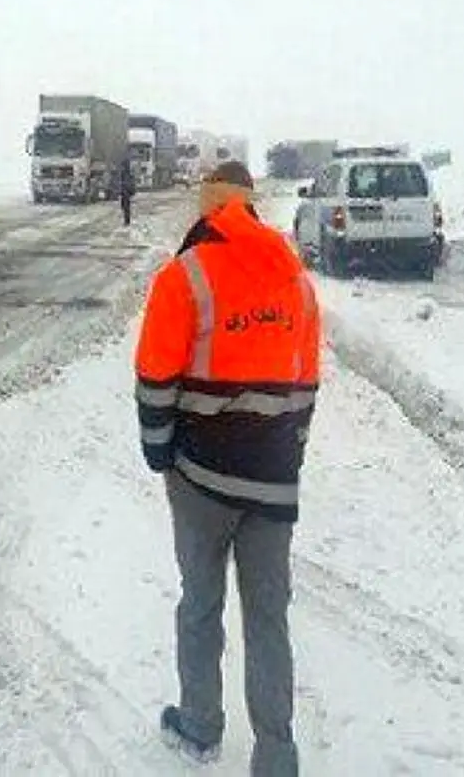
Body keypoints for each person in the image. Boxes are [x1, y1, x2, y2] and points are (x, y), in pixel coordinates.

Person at [133, 160, 321, 773]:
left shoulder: (184, 274)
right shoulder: (294, 276)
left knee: (200, 603)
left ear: (209, 206)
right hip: (272, 482)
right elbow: (306, 382)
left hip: (201, 479)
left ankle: (200, 727)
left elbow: (156, 379)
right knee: (268, 617)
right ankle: (277, 756)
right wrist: (288, 450)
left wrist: (161, 454)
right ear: (253, 206)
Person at [119, 157, 137, 226]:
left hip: (125, 192)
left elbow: (127, 182)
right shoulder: (127, 173)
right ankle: (127, 220)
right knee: (125, 207)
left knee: (125, 207)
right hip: (125, 192)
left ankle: (127, 221)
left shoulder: (126, 173)